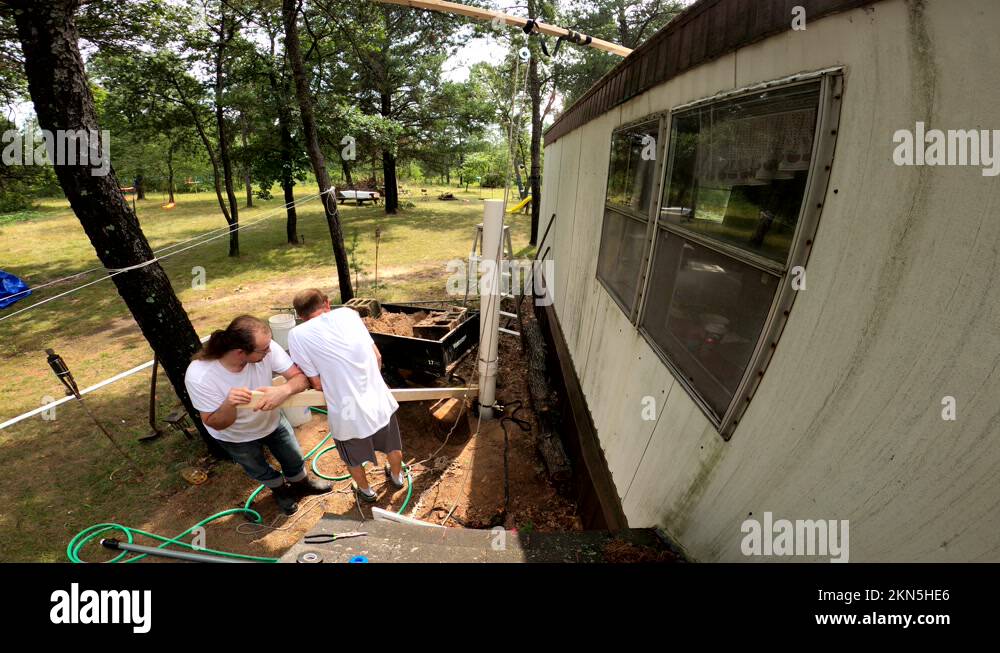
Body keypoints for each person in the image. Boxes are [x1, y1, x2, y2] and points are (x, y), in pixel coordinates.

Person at [184, 315, 331, 515]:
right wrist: (229, 404)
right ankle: (280, 491)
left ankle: (301, 485)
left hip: (272, 421)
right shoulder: (200, 376)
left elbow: (300, 379)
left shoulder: (265, 348)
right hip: (235, 436)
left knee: (293, 457)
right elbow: (215, 423)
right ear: (240, 352)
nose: (269, 351)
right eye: (264, 350)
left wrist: (283, 391)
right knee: (258, 468)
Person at [287, 289, 404, 503]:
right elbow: (376, 356)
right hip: (378, 400)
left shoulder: (296, 335)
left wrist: (339, 385)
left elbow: (316, 383)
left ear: (301, 316)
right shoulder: (349, 314)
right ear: (327, 303)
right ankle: (397, 477)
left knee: (353, 458)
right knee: (392, 445)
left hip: (346, 411)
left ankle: (366, 491)